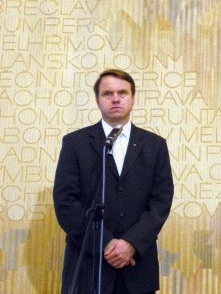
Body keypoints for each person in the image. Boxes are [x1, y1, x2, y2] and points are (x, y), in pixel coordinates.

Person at [53, 69, 174, 294]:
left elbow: (161, 202)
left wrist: (131, 244)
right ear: (98, 100)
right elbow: (66, 203)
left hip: (137, 267)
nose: (116, 98)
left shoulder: (155, 145)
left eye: (122, 93)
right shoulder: (75, 143)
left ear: (133, 98)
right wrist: (105, 244)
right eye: (108, 93)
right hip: (89, 267)